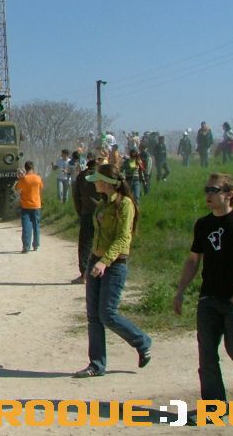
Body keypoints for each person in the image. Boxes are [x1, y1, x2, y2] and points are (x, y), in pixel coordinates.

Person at [173, 173, 233, 409]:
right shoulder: (203, 225)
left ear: (229, 194)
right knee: (206, 353)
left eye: (213, 190)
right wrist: (180, 290)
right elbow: (193, 260)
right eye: (206, 190)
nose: (208, 195)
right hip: (208, 298)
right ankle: (215, 405)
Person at [73, 164, 152, 378]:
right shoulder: (101, 204)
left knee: (107, 314)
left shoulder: (125, 204)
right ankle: (96, 365)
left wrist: (105, 261)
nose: (94, 184)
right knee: (93, 317)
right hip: (96, 261)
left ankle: (142, 341)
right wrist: (92, 263)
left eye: (98, 180)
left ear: (107, 183)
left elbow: (124, 238)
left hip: (114, 265)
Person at [72, 158, 98, 284]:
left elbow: (76, 197)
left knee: (85, 244)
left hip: (86, 213)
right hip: (103, 213)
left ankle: (84, 275)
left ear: (87, 166)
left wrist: (80, 212)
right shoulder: (102, 176)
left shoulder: (81, 176)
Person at [15, 161, 43, 253]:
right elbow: (41, 187)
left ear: (25, 168)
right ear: (33, 167)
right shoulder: (38, 178)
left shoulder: (23, 179)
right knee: (36, 226)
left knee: (26, 227)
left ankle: (26, 247)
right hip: (36, 205)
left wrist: (19, 179)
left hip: (25, 206)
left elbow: (16, 188)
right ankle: (36, 245)